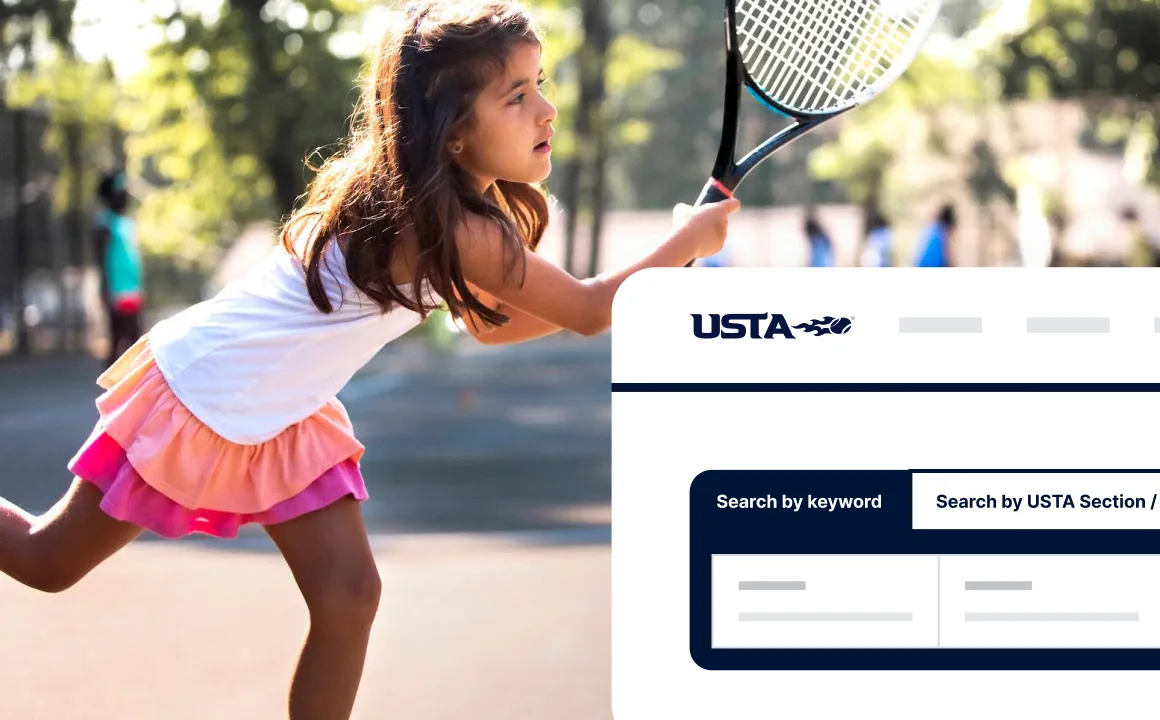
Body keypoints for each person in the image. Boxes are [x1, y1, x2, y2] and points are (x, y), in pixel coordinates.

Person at [0, 2, 738, 719]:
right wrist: (687, 243)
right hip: (206, 387)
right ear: (452, 133)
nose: (546, 109)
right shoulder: (447, 220)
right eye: (517, 95)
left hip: (284, 406)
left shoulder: (443, 203)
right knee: (47, 561)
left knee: (349, 596)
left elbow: (492, 327)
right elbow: (588, 309)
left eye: (541, 83)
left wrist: (674, 255)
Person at [93, 171, 145, 368]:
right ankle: (111, 387)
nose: (125, 196)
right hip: (117, 291)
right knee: (119, 338)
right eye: (121, 192)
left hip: (132, 289)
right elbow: (101, 261)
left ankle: (130, 385)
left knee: (135, 339)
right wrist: (106, 290)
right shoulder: (103, 224)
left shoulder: (127, 222)